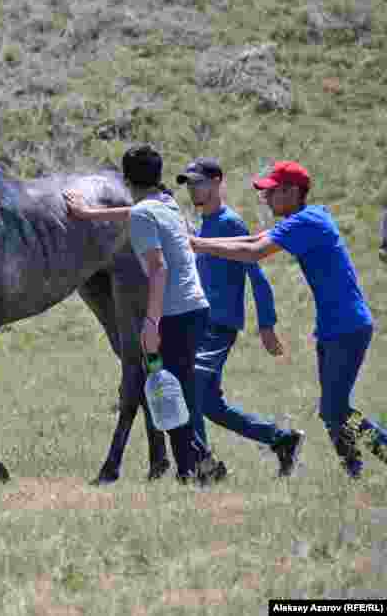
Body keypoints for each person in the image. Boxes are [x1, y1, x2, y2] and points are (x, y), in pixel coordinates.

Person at [190, 160, 387, 478]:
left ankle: (359, 468)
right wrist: (197, 243)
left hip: (347, 326)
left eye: (271, 193)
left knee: (333, 410)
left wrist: (198, 245)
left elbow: (254, 253)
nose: (266, 199)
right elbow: (253, 240)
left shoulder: (306, 221)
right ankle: (354, 475)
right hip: (335, 326)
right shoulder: (305, 218)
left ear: (292, 191)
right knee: (333, 412)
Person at [64, 145, 226, 485]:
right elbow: (134, 211)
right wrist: (91, 214)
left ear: (125, 179)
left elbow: (158, 269)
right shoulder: (167, 204)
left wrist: (151, 322)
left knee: (170, 393)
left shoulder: (143, 215)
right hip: (195, 309)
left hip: (174, 314)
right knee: (171, 391)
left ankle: (197, 469)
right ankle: (193, 466)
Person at [175, 157, 305, 477]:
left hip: (219, 325)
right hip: (199, 322)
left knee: (188, 385)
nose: (193, 189)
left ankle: (202, 466)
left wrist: (267, 324)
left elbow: (256, 275)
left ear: (218, 181)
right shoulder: (200, 225)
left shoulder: (230, 223)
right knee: (210, 406)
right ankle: (281, 439)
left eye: (199, 182)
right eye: (189, 183)